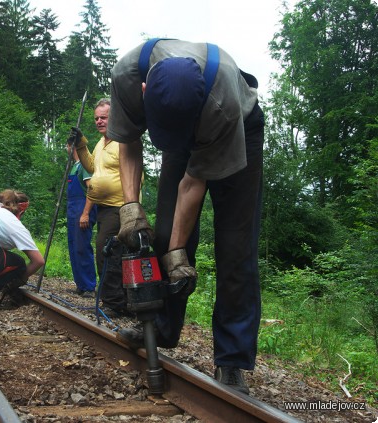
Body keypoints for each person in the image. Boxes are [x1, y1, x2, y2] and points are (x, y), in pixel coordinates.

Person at [106, 39, 265, 395]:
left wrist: (179, 253)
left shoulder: (219, 106)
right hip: (186, 124)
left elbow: (193, 183)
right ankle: (163, 329)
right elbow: (128, 141)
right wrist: (130, 208)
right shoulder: (127, 76)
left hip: (238, 127)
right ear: (144, 92)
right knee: (162, 235)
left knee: (235, 247)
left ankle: (232, 359)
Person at [69, 98, 142, 317]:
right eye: (96, 118)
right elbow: (91, 167)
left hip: (120, 207)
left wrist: (131, 206)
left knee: (107, 250)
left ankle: (114, 302)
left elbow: (135, 172)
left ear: (115, 117)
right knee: (115, 252)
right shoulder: (102, 144)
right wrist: (82, 146)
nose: (99, 122)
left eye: (104, 117)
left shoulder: (124, 141)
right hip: (104, 208)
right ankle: (123, 301)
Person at [66, 143, 97, 296]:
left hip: (82, 209)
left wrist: (85, 213)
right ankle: (81, 284)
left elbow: (91, 189)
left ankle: (89, 286)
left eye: (68, 145)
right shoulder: (74, 166)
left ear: (72, 147)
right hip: (73, 211)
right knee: (73, 246)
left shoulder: (84, 165)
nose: (67, 149)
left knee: (82, 247)